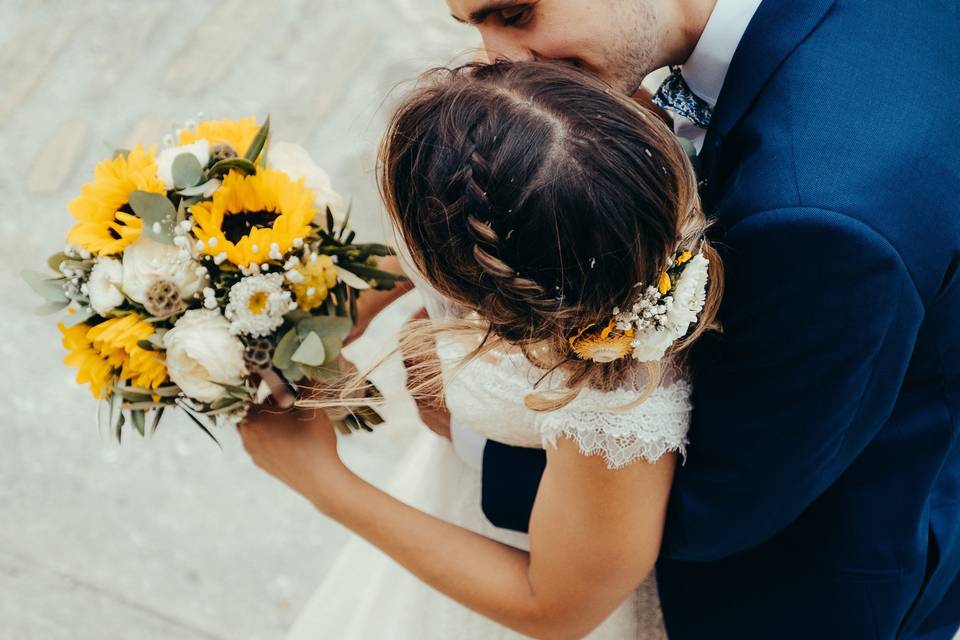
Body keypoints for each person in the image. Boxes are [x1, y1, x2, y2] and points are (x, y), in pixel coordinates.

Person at [424, 1, 958, 638]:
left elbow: (726, 502)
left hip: (799, 589)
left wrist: (479, 441)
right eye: (476, 25)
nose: (497, 58)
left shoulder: (820, 216)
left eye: (516, 13)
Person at [239, 60, 723, 638]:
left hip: (519, 572)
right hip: (459, 499)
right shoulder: (595, 187)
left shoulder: (617, 409)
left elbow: (556, 607)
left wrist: (322, 480)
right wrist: (359, 296)